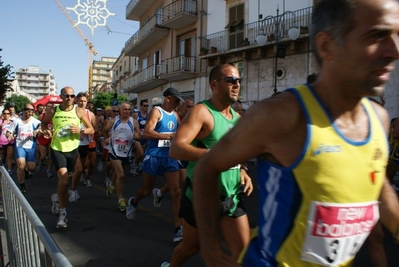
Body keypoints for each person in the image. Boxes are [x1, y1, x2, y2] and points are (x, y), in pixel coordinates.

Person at [193, 0, 399, 266]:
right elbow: (207, 168)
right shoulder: (281, 115)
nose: (394, 51)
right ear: (327, 45)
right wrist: (211, 250)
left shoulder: (379, 119)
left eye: (396, 35)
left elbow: (377, 183)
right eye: (377, 35)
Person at [162, 64, 253, 267]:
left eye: (238, 80)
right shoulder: (201, 112)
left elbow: (234, 156)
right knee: (190, 248)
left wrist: (243, 171)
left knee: (245, 255)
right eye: (230, 80)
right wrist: (213, 155)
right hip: (201, 197)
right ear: (214, 84)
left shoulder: (237, 119)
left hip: (231, 197)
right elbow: (176, 149)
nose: (236, 84)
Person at [125, 87, 184, 243]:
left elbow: (182, 132)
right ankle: (134, 201)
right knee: (146, 189)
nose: (178, 103)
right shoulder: (157, 112)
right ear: (168, 98)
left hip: (169, 157)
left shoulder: (176, 115)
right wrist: (168, 136)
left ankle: (178, 228)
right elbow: (148, 133)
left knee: (176, 192)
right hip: (153, 155)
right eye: (177, 100)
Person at [41, 86, 94, 228]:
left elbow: (91, 129)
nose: (69, 98)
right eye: (67, 96)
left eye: (72, 96)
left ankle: (57, 197)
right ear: (61, 97)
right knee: (64, 181)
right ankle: (63, 214)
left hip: (72, 149)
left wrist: (80, 129)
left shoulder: (79, 111)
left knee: (65, 181)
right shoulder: (53, 110)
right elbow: (44, 122)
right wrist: (46, 130)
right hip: (57, 148)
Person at [102, 102, 141, 211]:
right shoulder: (113, 121)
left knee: (117, 173)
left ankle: (111, 185)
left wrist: (138, 136)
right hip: (114, 150)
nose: (127, 111)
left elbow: (139, 135)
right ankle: (120, 199)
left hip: (127, 152)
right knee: (121, 175)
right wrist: (105, 139)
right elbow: (104, 130)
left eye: (129, 109)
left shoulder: (134, 122)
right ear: (120, 110)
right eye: (125, 109)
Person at [69, 92, 98, 203]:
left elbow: (94, 129)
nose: (83, 103)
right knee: (78, 169)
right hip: (72, 143)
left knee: (85, 166)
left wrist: (86, 131)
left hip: (86, 142)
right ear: (76, 101)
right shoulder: (71, 112)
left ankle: (77, 185)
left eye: (85, 101)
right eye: (80, 101)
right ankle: (72, 190)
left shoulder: (90, 114)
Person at [7, 103, 41, 193]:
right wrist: (9, 135)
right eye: (27, 110)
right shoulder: (17, 121)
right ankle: (22, 185)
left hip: (31, 145)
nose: (29, 112)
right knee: (21, 165)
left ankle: (27, 170)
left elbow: (41, 126)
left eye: (31, 110)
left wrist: (37, 130)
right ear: (23, 110)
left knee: (32, 167)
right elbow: (8, 131)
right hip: (19, 145)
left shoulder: (34, 121)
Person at [36, 102, 54, 178]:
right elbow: (37, 127)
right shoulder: (41, 116)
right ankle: (40, 162)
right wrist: (40, 132)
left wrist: (52, 130)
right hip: (42, 137)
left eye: (51, 106)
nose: (49, 108)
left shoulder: (54, 116)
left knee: (51, 156)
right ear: (45, 107)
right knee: (43, 156)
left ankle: (48, 170)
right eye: (48, 106)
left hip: (51, 137)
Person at [0, 108, 15, 177]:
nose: (6, 115)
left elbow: (16, 130)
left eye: (8, 113)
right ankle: (2, 167)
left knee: (10, 155)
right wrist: (1, 126)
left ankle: (9, 170)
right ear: (3, 114)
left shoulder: (13, 122)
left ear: (10, 114)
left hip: (10, 141)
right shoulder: (0, 121)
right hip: (2, 142)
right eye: (5, 113)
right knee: (3, 157)